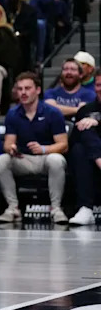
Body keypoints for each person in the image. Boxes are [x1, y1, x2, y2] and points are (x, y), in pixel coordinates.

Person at [0, 73, 68, 224]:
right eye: (20, 89)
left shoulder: (52, 113)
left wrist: (43, 149)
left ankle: (56, 209)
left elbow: (63, 145)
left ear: (38, 90)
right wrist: (11, 148)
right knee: (2, 160)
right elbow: (7, 143)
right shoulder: (13, 114)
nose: (23, 92)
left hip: (46, 158)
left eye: (27, 88)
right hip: (23, 159)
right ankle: (13, 208)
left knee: (57, 160)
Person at [67, 68, 101, 226]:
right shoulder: (86, 110)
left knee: (90, 128)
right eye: (99, 85)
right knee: (79, 148)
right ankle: (85, 208)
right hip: (91, 162)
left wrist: (98, 124)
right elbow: (74, 140)